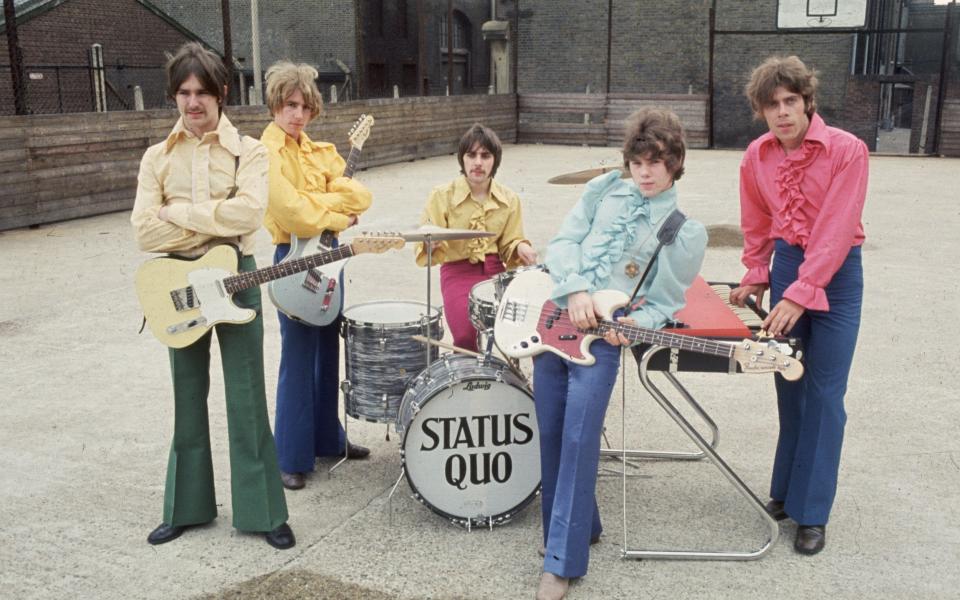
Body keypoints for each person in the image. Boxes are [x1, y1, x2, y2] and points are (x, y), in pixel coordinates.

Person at [534, 108, 707, 599]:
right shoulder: (602, 189)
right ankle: (576, 528)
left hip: (604, 339)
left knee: (579, 437)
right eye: (638, 161)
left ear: (675, 163)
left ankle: (561, 562)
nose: (646, 172)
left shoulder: (682, 229)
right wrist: (573, 290)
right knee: (548, 428)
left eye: (657, 161)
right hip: (557, 317)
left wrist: (639, 323)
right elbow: (565, 241)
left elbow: (666, 300)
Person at [130, 42, 294, 549]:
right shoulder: (157, 157)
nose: (193, 102)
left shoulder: (251, 151)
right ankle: (185, 508)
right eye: (183, 92)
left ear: (222, 92)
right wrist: (206, 222)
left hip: (236, 276)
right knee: (186, 395)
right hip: (178, 282)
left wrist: (175, 213)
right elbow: (142, 231)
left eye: (202, 91)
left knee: (247, 396)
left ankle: (265, 513)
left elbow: (248, 216)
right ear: (174, 96)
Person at [730, 55, 868, 556]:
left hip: (837, 276)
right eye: (772, 105)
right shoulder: (757, 156)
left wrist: (799, 295)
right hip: (789, 266)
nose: (783, 112)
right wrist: (756, 272)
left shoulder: (848, 151)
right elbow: (758, 220)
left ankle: (813, 513)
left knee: (826, 395)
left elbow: (834, 230)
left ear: (808, 101)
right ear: (762, 112)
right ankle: (786, 493)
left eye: (791, 101)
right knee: (790, 387)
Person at [260, 61, 374, 491]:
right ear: (275, 104)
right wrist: (333, 209)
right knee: (297, 353)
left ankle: (329, 438)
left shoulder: (321, 151)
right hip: (291, 255)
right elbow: (289, 212)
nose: (297, 115)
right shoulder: (264, 152)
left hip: (330, 259)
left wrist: (322, 205)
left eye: (305, 107)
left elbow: (361, 195)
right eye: (290, 105)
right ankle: (290, 454)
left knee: (329, 348)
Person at [415, 123, 537, 352]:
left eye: (485, 155)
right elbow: (426, 237)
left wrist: (520, 247)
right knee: (464, 334)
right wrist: (431, 243)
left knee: (512, 331)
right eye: (471, 155)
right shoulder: (442, 195)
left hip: (495, 272)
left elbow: (510, 241)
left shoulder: (510, 199)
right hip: (456, 270)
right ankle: (469, 380)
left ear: (495, 161)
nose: (478, 162)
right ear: (462, 159)